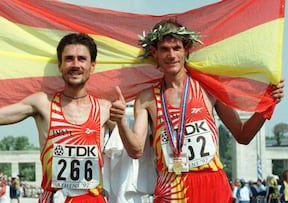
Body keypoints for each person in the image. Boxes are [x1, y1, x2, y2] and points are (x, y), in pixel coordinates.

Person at [110, 18, 285, 203]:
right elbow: (136, 150)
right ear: (154, 52)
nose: (171, 55)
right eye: (164, 49)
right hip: (171, 189)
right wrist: (121, 121)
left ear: (186, 50)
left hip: (212, 186)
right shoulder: (146, 99)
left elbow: (243, 135)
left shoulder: (209, 88)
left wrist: (268, 104)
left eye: (176, 48)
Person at [0, 33, 112, 203]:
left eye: (82, 59)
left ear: (92, 66)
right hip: (55, 198)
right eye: (69, 59)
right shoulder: (42, 103)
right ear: (60, 65)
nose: (75, 64)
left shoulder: (105, 108)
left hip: (92, 198)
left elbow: (135, 149)